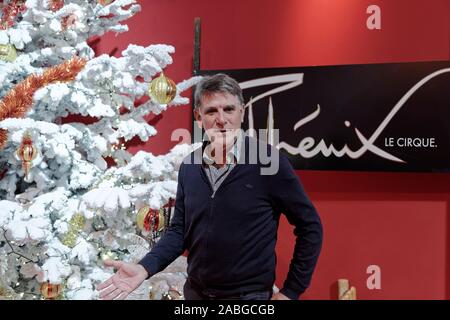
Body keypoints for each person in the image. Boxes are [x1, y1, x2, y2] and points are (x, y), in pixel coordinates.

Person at [97, 73, 323, 300]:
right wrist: (144, 267)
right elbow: (179, 231)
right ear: (199, 117)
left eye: (229, 109)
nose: (221, 119)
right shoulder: (190, 167)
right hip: (196, 295)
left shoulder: (269, 162)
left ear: (242, 112)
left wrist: (290, 291)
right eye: (211, 111)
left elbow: (310, 226)